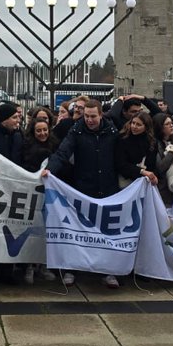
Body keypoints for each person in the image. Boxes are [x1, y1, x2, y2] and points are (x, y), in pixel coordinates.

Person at [48, 98, 120, 288]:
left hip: (107, 187)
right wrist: (49, 170)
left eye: (93, 116)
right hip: (83, 188)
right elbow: (63, 152)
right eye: (86, 116)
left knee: (106, 231)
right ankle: (72, 269)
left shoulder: (112, 132)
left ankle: (108, 271)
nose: (89, 120)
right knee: (79, 230)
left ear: (100, 115)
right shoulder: (76, 131)